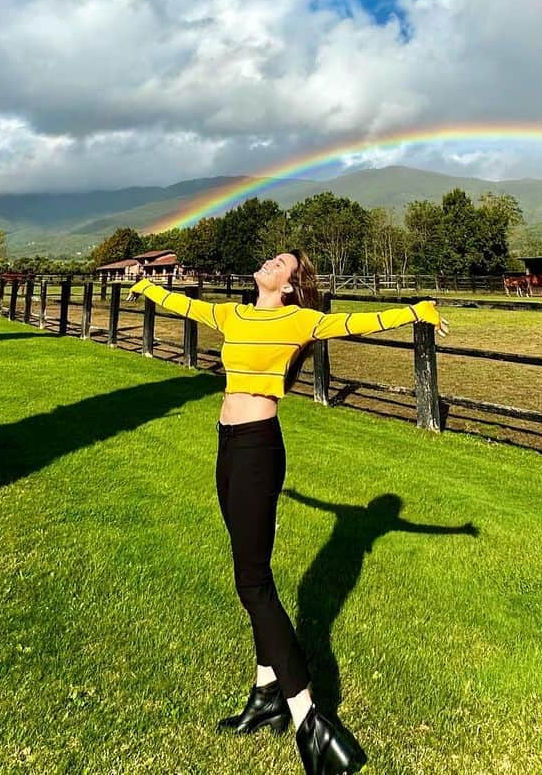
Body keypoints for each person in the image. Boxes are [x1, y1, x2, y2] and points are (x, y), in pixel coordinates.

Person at [127, 250, 449, 775]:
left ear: (293, 284)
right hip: (227, 445)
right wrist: (147, 289)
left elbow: (355, 323)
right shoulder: (234, 313)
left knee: (252, 584)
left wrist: (414, 311)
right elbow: (188, 308)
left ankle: (310, 721)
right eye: (272, 258)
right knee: (253, 573)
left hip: (258, 448)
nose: (270, 263)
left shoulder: (300, 320)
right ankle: (265, 695)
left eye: (282, 262)